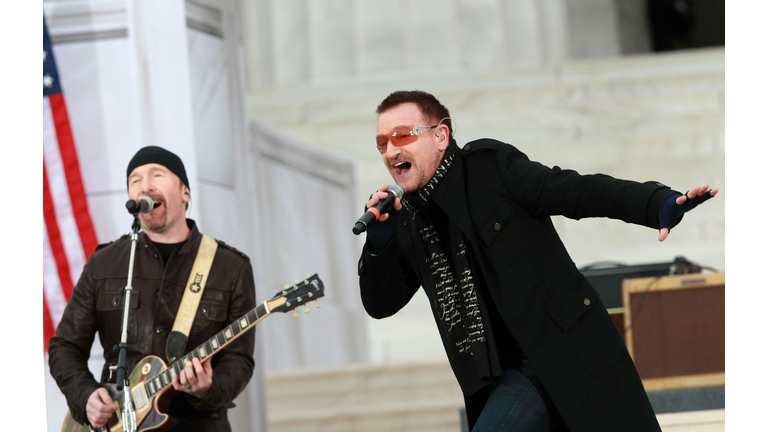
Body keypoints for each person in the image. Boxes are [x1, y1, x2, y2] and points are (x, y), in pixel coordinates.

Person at [357, 91, 717, 432]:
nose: (391, 150)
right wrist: (379, 246)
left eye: (402, 135)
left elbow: (576, 191)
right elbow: (380, 303)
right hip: (495, 377)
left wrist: (656, 203)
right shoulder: (406, 220)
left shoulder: (489, 169)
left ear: (440, 136)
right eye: (382, 143)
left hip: (558, 356)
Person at [49, 146, 256, 431]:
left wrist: (209, 387)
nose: (145, 186)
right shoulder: (104, 264)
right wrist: (85, 396)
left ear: (185, 193)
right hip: (117, 423)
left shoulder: (230, 267)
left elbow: (239, 360)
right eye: (135, 180)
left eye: (157, 175)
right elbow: (65, 347)